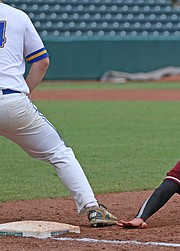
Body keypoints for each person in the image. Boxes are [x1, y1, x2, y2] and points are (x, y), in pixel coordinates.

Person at [0, 2, 117, 227]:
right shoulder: (18, 16)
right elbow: (42, 61)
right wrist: (27, 91)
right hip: (12, 100)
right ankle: (92, 208)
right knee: (58, 152)